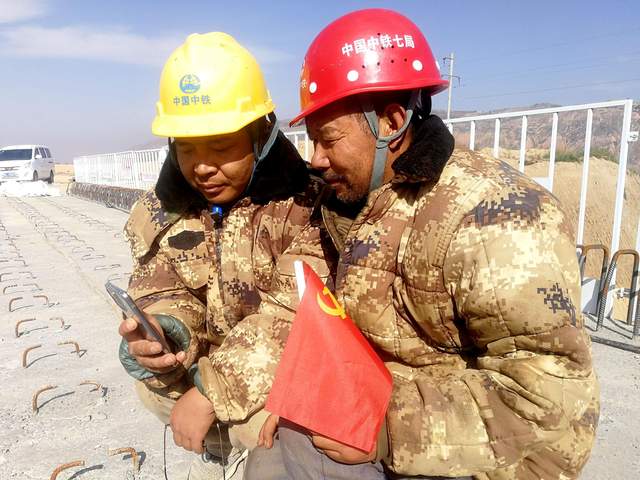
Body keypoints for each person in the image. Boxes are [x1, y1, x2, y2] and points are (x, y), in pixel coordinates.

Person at [245, 8, 599, 480]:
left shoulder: (495, 216)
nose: (316, 159)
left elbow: (545, 396)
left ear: (391, 122)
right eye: (312, 141)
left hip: (488, 458)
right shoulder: (349, 202)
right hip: (391, 413)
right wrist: (240, 389)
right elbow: (288, 308)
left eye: (328, 139)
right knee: (277, 449)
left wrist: (385, 427)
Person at [117, 32, 329, 479]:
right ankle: (227, 447)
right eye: (186, 149)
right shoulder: (162, 210)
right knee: (150, 386)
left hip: (280, 377)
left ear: (260, 136)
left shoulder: (309, 207)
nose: (202, 167)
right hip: (210, 369)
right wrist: (166, 331)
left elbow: (294, 317)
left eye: (219, 148)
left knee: (293, 429)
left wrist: (213, 391)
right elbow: (163, 287)